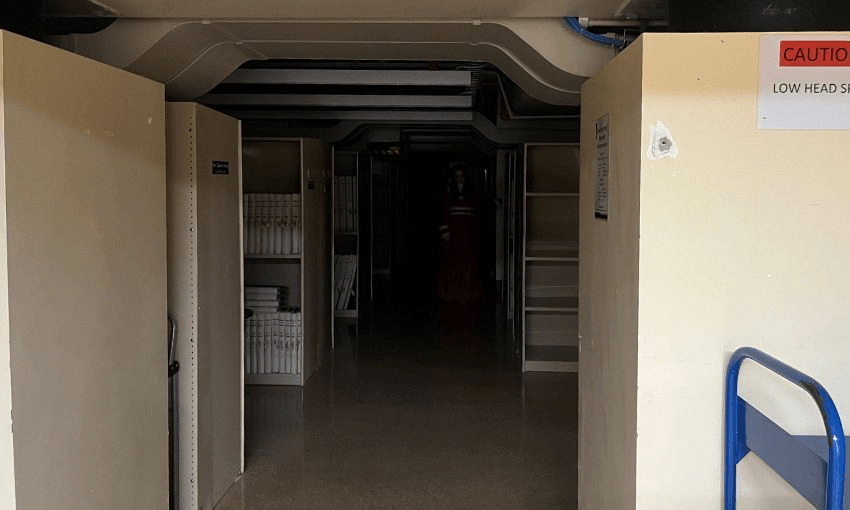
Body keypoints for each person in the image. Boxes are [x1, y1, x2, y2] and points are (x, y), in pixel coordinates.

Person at [438, 164, 484, 336]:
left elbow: (478, 209)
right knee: (453, 262)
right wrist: (444, 230)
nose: (459, 179)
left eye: (461, 176)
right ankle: (452, 294)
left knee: (468, 263)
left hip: (468, 233)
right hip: (453, 232)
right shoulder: (447, 192)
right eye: (457, 176)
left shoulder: (473, 191)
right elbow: (442, 211)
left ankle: (467, 294)